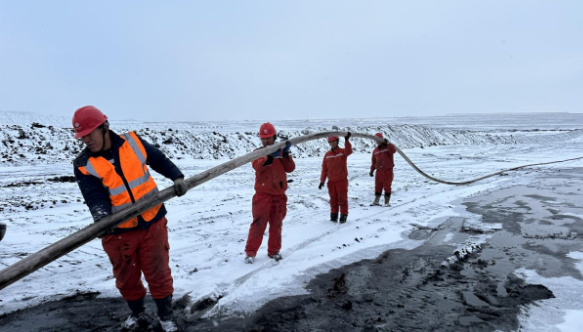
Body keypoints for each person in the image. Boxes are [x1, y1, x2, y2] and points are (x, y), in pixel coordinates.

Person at [72, 105, 187, 332]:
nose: (86, 140)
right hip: (118, 231)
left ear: (104, 127)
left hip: (152, 221)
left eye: (89, 133)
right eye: (81, 136)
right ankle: (138, 314)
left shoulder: (132, 142)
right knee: (127, 278)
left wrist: (177, 176)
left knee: (158, 272)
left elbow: (158, 159)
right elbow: (94, 196)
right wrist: (101, 218)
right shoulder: (83, 164)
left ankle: (166, 317)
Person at [244, 122, 295, 264]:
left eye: (268, 138)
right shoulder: (257, 153)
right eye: (263, 138)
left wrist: (285, 155)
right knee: (258, 223)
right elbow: (258, 166)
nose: (266, 141)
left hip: (279, 195)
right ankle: (250, 252)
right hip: (262, 196)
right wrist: (270, 157)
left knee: (276, 224)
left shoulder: (281, 152)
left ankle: (274, 251)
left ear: (274, 137)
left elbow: (290, 168)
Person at [319, 132, 352, 223]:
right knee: (333, 200)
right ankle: (333, 216)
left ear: (337, 141)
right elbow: (324, 169)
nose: (332, 143)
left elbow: (349, 151)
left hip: (341, 181)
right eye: (330, 142)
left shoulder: (342, 152)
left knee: (342, 199)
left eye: (334, 141)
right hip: (331, 182)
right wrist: (322, 180)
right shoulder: (327, 155)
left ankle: (343, 215)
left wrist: (347, 140)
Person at [370, 132, 397, 206]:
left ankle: (386, 202)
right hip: (379, 171)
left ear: (382, 139)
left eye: (379, 139)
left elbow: (393, 150)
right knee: (378, 186)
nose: (377, 141)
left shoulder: (388, 147)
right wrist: (372, 170)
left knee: (387, 186)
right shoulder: (375, 151)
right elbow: (373, 162)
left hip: (387, 171)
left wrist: (388, 143)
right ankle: (376, 200)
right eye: (376, 139)